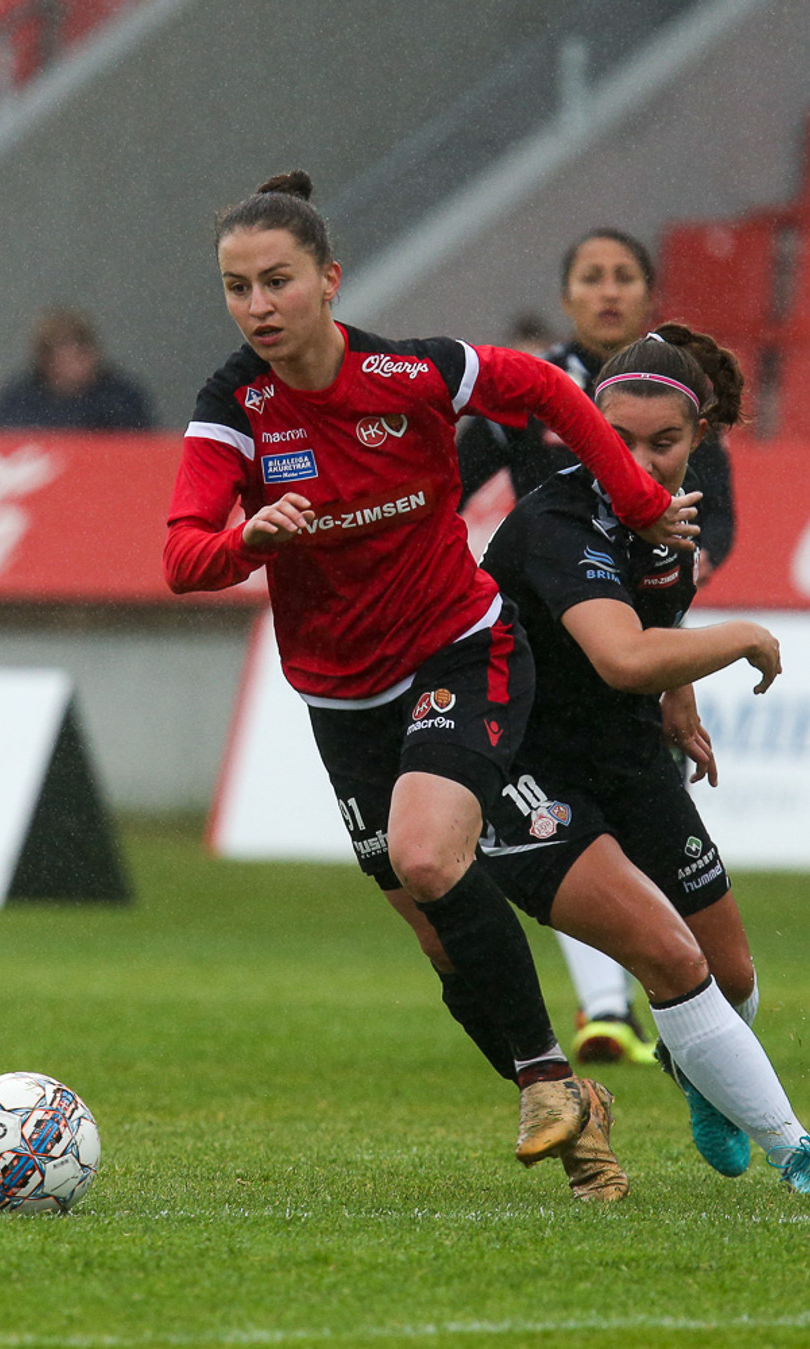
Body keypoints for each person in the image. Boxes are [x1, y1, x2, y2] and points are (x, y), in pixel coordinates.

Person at [162, 171, 698, 1200]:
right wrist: (245, 541)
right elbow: (183, 554)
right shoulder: (234, 406)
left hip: (461, 649)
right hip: (340, 698)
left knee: (425, 853)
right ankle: (575, 1110)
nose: (258, 306)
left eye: (277, 281)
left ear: (330, 279)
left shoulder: (411, 372)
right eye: (237, 288)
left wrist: (636, 500)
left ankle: (549, 1080)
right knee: (439, 937)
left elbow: (545, 391)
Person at [474, 323, 810, 1193]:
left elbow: (654, 620)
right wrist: (742, 636)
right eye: (617, 439)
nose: (641, 461)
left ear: (700, 439)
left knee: (731, 976)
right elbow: (622, 654)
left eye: (664, 442)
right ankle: (796, 1150)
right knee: (671, 955)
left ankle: (696, 1070)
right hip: (524, 768)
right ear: (585, 432)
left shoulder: (670, 518)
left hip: (625, 754)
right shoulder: (557, 520)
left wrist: (680, 690)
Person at [458, 228, 737, 1065]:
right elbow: (449, 483)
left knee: (643, 842)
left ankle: (691, 1023)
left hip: (631, 644)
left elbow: (713, 517)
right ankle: (608, 1007)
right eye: (591, 276)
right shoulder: (530, 390)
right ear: (567, 295)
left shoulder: (677, 396)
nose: (608, 290)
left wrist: (675, 626)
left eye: (623, 276)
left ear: (649, 293)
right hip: (550, 640)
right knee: (570, 829)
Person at [0, 307, 156, 431]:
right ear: (46, 362)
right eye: (67, 357)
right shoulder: (18, 402)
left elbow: (141, 448)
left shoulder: (121, 399)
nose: (78, 365)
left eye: (83, 353)